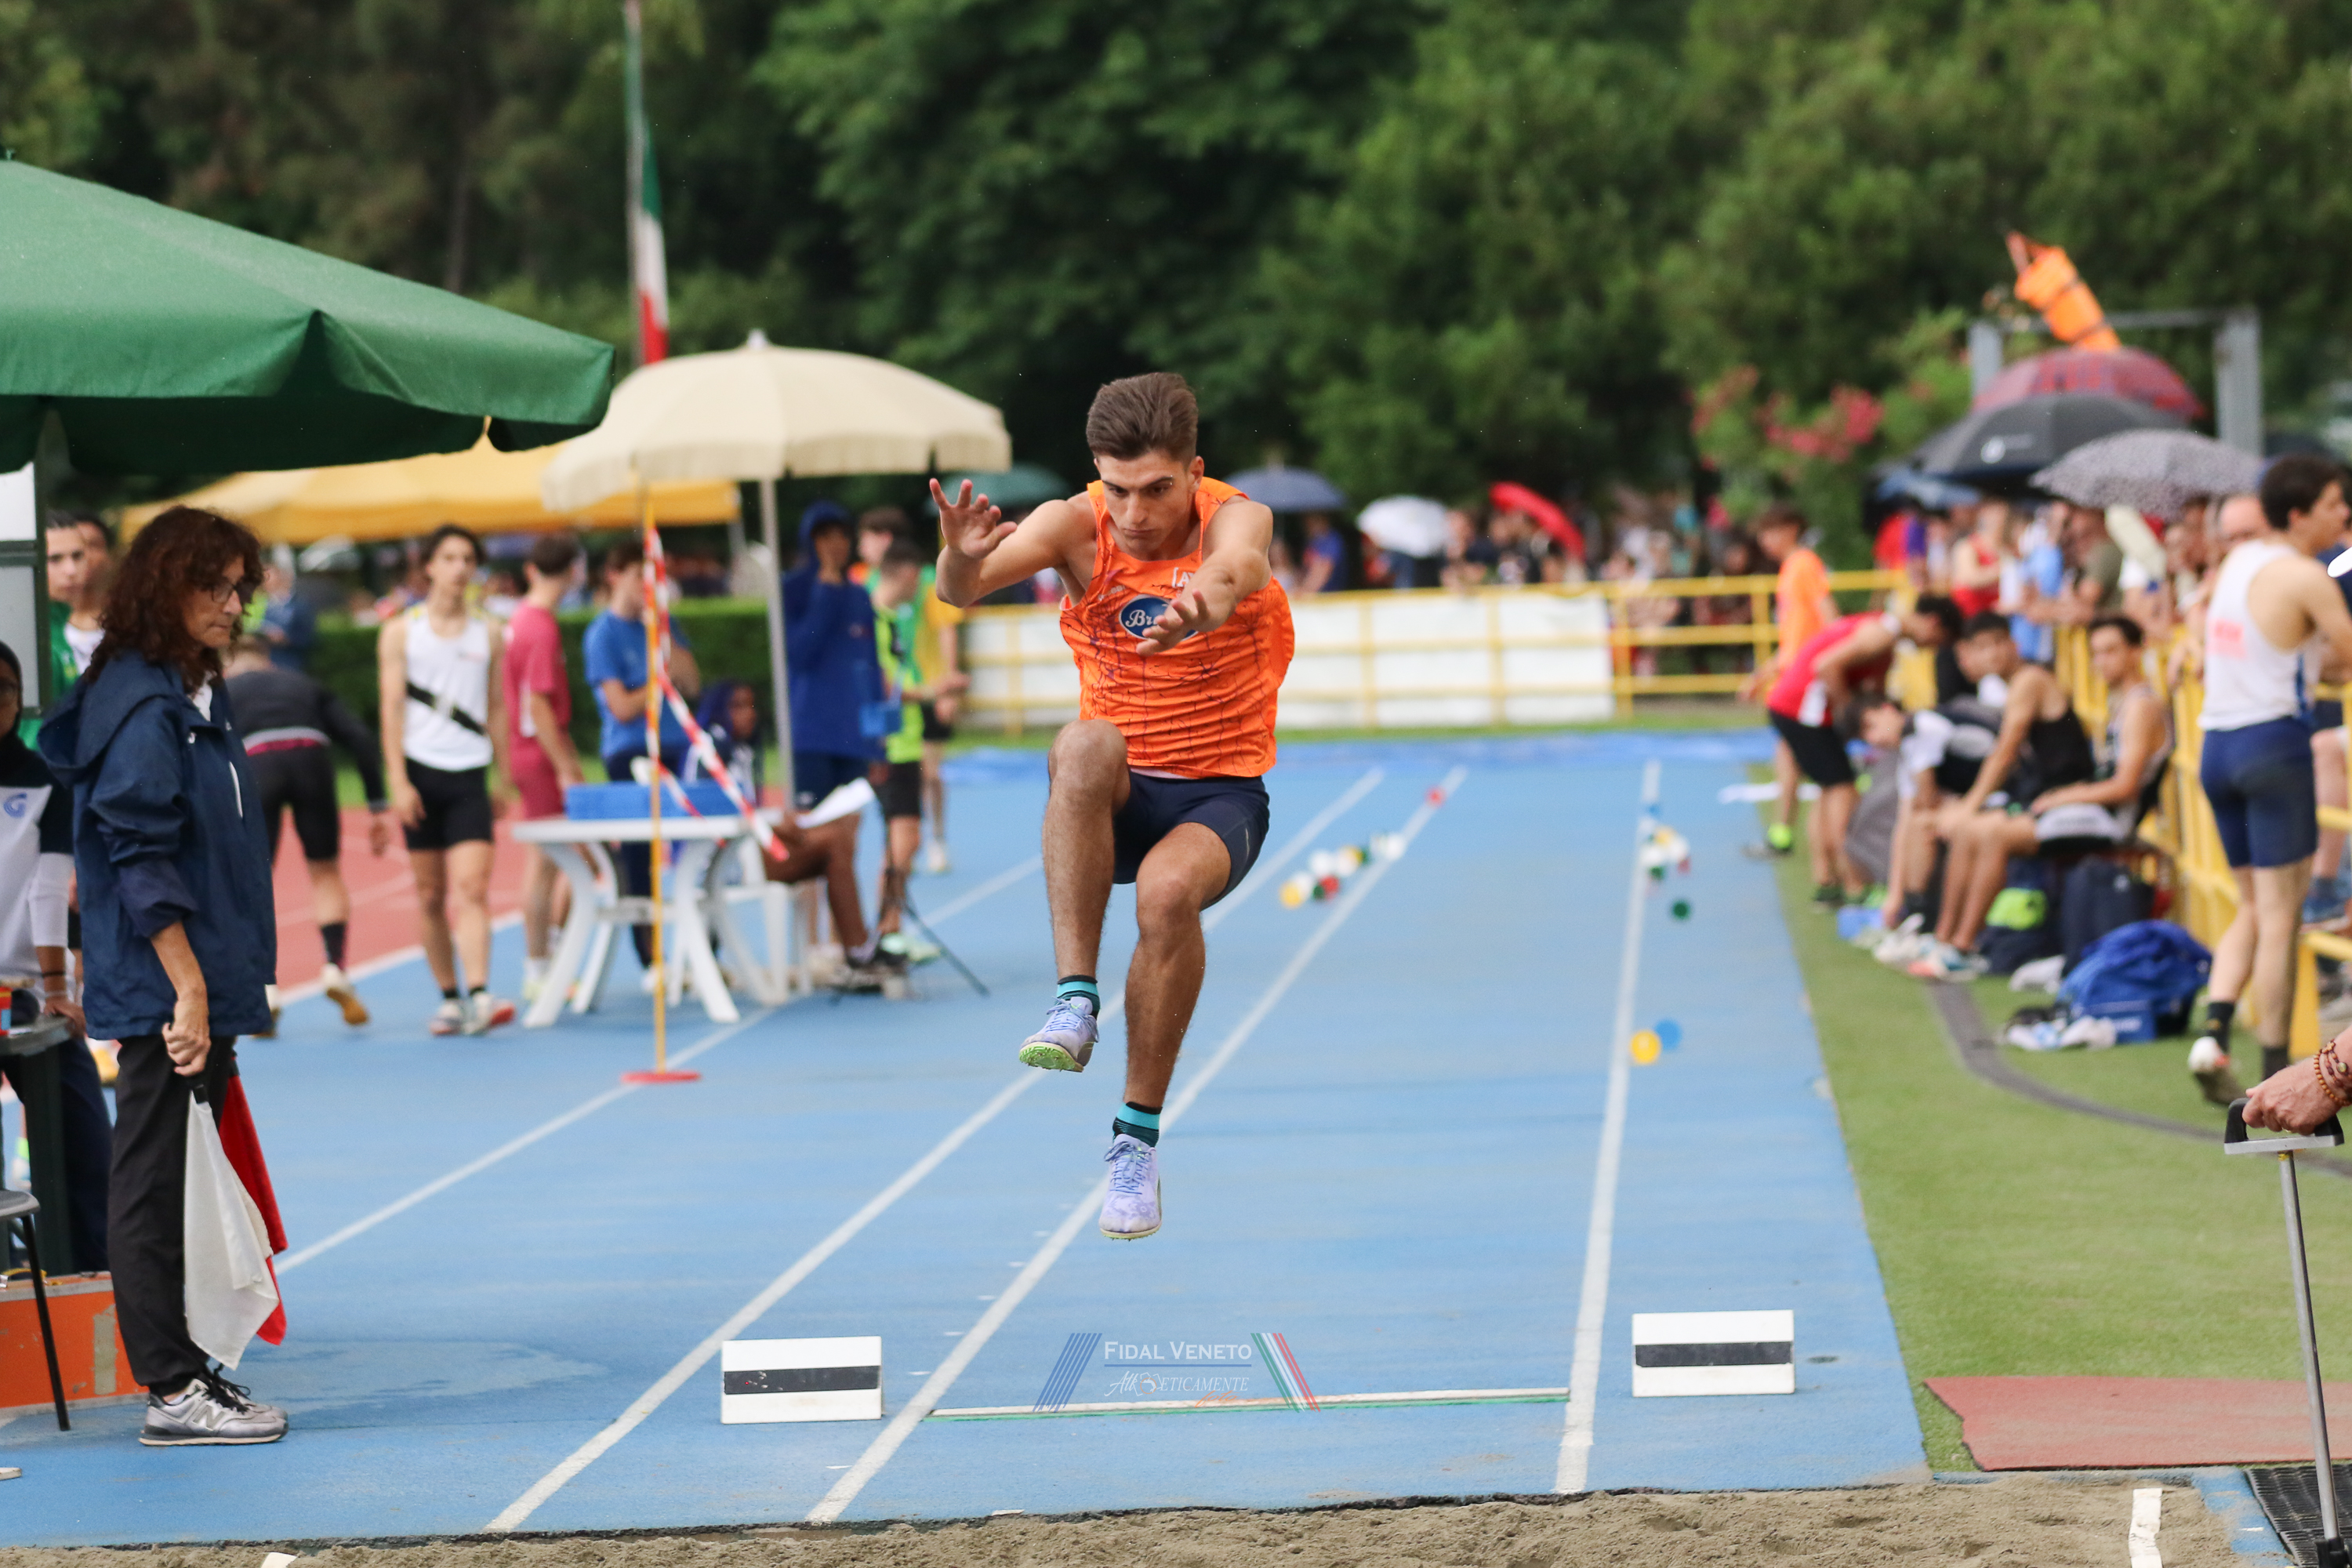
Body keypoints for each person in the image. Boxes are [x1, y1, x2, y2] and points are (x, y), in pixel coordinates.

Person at [934, 371, 1291, 1242]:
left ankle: (1135, 1142)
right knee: (1084, 743)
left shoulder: (1234, 516)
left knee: (1167, 897)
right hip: (1121, 786)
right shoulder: (1073, 522)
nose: (1135, 513)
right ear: (1098, 472)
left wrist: (1200, 607)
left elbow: (1237, 567)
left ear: (1194, 471)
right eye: (1119, 489)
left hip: (1218, 793)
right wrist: (959, 552)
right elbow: (959, 591)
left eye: (1158, 489)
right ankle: (1075, 1000)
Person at [36, 506, 289, 1446]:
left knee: (177, 1178)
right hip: (163, 986)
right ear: (163, 586)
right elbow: (138, 852)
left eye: (240, 588)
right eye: (212, 586)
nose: (232, 604)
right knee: (150, 1180)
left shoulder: (186, 690)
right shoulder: (146, 706)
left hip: (190, 979)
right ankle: (172, 1386)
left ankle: (187, 1368)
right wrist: (187, 987)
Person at [2188, 457, 2352, 1104]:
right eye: (2335, 503)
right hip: (2272, 746)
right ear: (2300, 513)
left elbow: (2223, 633)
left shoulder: (2239, 561)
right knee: (2282, 919)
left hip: (2217, 746)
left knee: (2252, 906)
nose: (2344, 514)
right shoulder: (2306, 576)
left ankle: (2212, 1033)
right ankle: (2276, 1075)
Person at [1902, 615, 2140, 980]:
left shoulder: (2031, 681)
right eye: (1982, 647)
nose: (1992, 655)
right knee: (1968, 831)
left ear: (2013, 644)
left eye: (1998, 644)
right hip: (2056, 801)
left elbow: (2006, 752)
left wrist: (1969, 808)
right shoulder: (2025, 686)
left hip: (2084, 808)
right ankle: (1944, 939)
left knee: (1987, 832)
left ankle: (1963, 944)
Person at [0, 639, 111, 1273]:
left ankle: (93, 1276)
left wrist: (56, 991)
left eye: (5, 688)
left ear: (20, 699)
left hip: (25, 990)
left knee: (84, 1140)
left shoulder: (45, 781)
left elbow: (48, 891)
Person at [378, 524, 513, 1036]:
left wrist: (503, 774)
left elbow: (496, 705)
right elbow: (391, 708)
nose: (460, 568)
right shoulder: (400, 631)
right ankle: (450, 996)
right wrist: (398, 780)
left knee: (472, 887)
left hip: (469, 771)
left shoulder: (489, 633)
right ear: (429, 566)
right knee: (431, 894)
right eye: (450, 558)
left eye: (468, 559)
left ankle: (479, 991)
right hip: (420, 770)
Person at [223, 637, 392, 1026]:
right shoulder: (301, 683)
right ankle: (335, 967)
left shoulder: (224, 691)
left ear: (228, 664)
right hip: (311, 758)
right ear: (267, 660)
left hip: (258, 763)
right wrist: (377, 803)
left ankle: (266, 985)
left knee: (255, 881)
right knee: (325, 870)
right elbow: (360, 737)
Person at [1763, 596, 1962, 909]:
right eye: (1939, 641)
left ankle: (1827, 881)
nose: (1932, 648)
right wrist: (1849, 715)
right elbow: (1825, 666)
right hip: (1803, 709)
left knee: (1829, 791)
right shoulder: (1882, 632)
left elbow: (1867, 684)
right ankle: (1853, 883)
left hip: (1796, 707)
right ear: (1933, 623)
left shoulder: (1885, 634)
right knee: (1842, 792)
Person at [583, 538, 702, 978]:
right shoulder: (603, 634)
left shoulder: (663, 627)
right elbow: (621, 707)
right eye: (639, 576)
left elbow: (692, 683)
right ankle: (650, 956)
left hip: (675, 746)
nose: (647, 586)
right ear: (616, 577)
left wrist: (665, 635)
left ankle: (700, 950)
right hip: (631, 750)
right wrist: (658, 680)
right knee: (640, 854)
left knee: (692, 844)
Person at [781, 502, 885, 959]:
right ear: (810, 543)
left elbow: (870, 668)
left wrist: (877, 740)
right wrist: (823, 590)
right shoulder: (794, 589)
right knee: (808, 838)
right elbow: (798, 653)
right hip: (810, 733)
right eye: (824, 537)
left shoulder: (860, 594)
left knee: (848, 836)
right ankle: (810, 941)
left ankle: (841, 937)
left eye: (841, 535)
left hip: (853, 735)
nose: (835, 545)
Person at [505, 534, 587, 1003]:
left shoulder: (522, 621)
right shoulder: (539, 627)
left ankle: (549, 954)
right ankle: (539, 965)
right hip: (539, 753)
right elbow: (537, 705)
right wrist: (565, 768)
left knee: (569, 859)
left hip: (532, 750)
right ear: (574, 571)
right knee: (547, 861)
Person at [867, 539, 948, 964]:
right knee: (903, 839)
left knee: (904, 839)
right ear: (904, 573)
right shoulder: (873, 624)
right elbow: (884, 686)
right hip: (891, 746)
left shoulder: (890, 620)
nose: (919, 590)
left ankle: (890, 927)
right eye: (917, 581)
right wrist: (935, 691)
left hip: (905, 740)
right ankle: (886, 930)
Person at [1744, 506, 1837, 859]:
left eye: (1771, 531)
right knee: (1789, 758)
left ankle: (1796, 840)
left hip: (1807, 681)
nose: (1764, 540)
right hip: (1794, 679)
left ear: (1792, 528)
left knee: (1823, 770)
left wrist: (1832, 662)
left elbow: (1829, 618)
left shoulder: (1804, 564)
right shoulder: (1790, 569)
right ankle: (1782, 833)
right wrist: (1763, 674)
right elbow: (1792, 640)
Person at [45, 514, 105, 694]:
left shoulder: (58, 628)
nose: (71, 570)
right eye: (55, 559)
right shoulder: (31, 635)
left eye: (78, 556)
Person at [251, 557, 318, 672]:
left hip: (290, 665)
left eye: (269, 577)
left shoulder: (299, 605)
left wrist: (286, 639)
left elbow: (309, 639)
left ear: (281, 578)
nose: (265, 581)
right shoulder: (260, 604)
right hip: (263, 665)